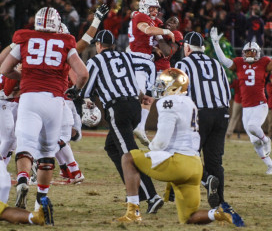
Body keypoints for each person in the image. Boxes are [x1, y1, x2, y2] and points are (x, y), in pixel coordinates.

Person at [117, 68, 244, 227]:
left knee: (128, 158)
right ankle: (219, 213)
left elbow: (162, 141)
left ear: (175, 87)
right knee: (189, 217)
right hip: (195, 166)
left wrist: (151, 150)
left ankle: (133, 211)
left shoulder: (167, 102)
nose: (158, 87)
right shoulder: (190, 102)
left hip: (178, 163)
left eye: (163, 84)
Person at [0, 7, 89, 210]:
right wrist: (75, 91)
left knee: (24, 146)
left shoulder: (25, 39)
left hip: (30, 98)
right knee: (47, 151)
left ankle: (23, 179)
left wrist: (27, 77)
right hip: (55, 100)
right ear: (57, 24)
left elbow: (4, 69)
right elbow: (83, 74)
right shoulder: (66, 42)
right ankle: (41, 198)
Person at [82, 29, 164, 214]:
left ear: (98, 45)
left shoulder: (96, 60)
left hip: (118, 109)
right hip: (134, 106)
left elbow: (86, 87)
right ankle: (136, 190)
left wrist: (79, 95)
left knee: (129, 155)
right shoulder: (126, 57)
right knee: (112, 147)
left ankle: (151, 196)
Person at [175, 31, 232, 210]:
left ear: (187, 47)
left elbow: (178, 94)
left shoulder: (182, 63)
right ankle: (220, 202)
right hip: (222, 113)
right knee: (215, 161)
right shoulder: (216, 63)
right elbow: (227, 93)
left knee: (187, 157)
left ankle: (207, 180)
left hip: (198, 114)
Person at [210, 27, 272, 175]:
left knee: (252, 127)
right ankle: (270, 165)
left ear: (258, 53)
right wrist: (215, 44)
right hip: (246, 107)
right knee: (253, 141)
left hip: (260, 105)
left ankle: (266, 140)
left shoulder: (264, 62)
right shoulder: (238, 63)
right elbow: (224, 61)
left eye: (252, 52)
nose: (249, 54)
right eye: (247, 52)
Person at [128, 0, 175, 145]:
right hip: (141, 61)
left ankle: (139, 127)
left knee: (148, 98)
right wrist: (166, 32)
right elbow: (146, 30)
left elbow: (166, 50)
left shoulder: (155, 23)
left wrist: (158, 41)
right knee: (139, 94)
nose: (155, 11)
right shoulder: (141, 17)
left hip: (151, 64)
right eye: (152, 8)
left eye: (156, 9)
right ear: (144, 7)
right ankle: (132, 124)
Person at [0, 158, 54, 225]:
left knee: (3, 212)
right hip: (3, 173)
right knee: (3, 210)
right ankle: (35, 216)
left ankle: (35, 218)